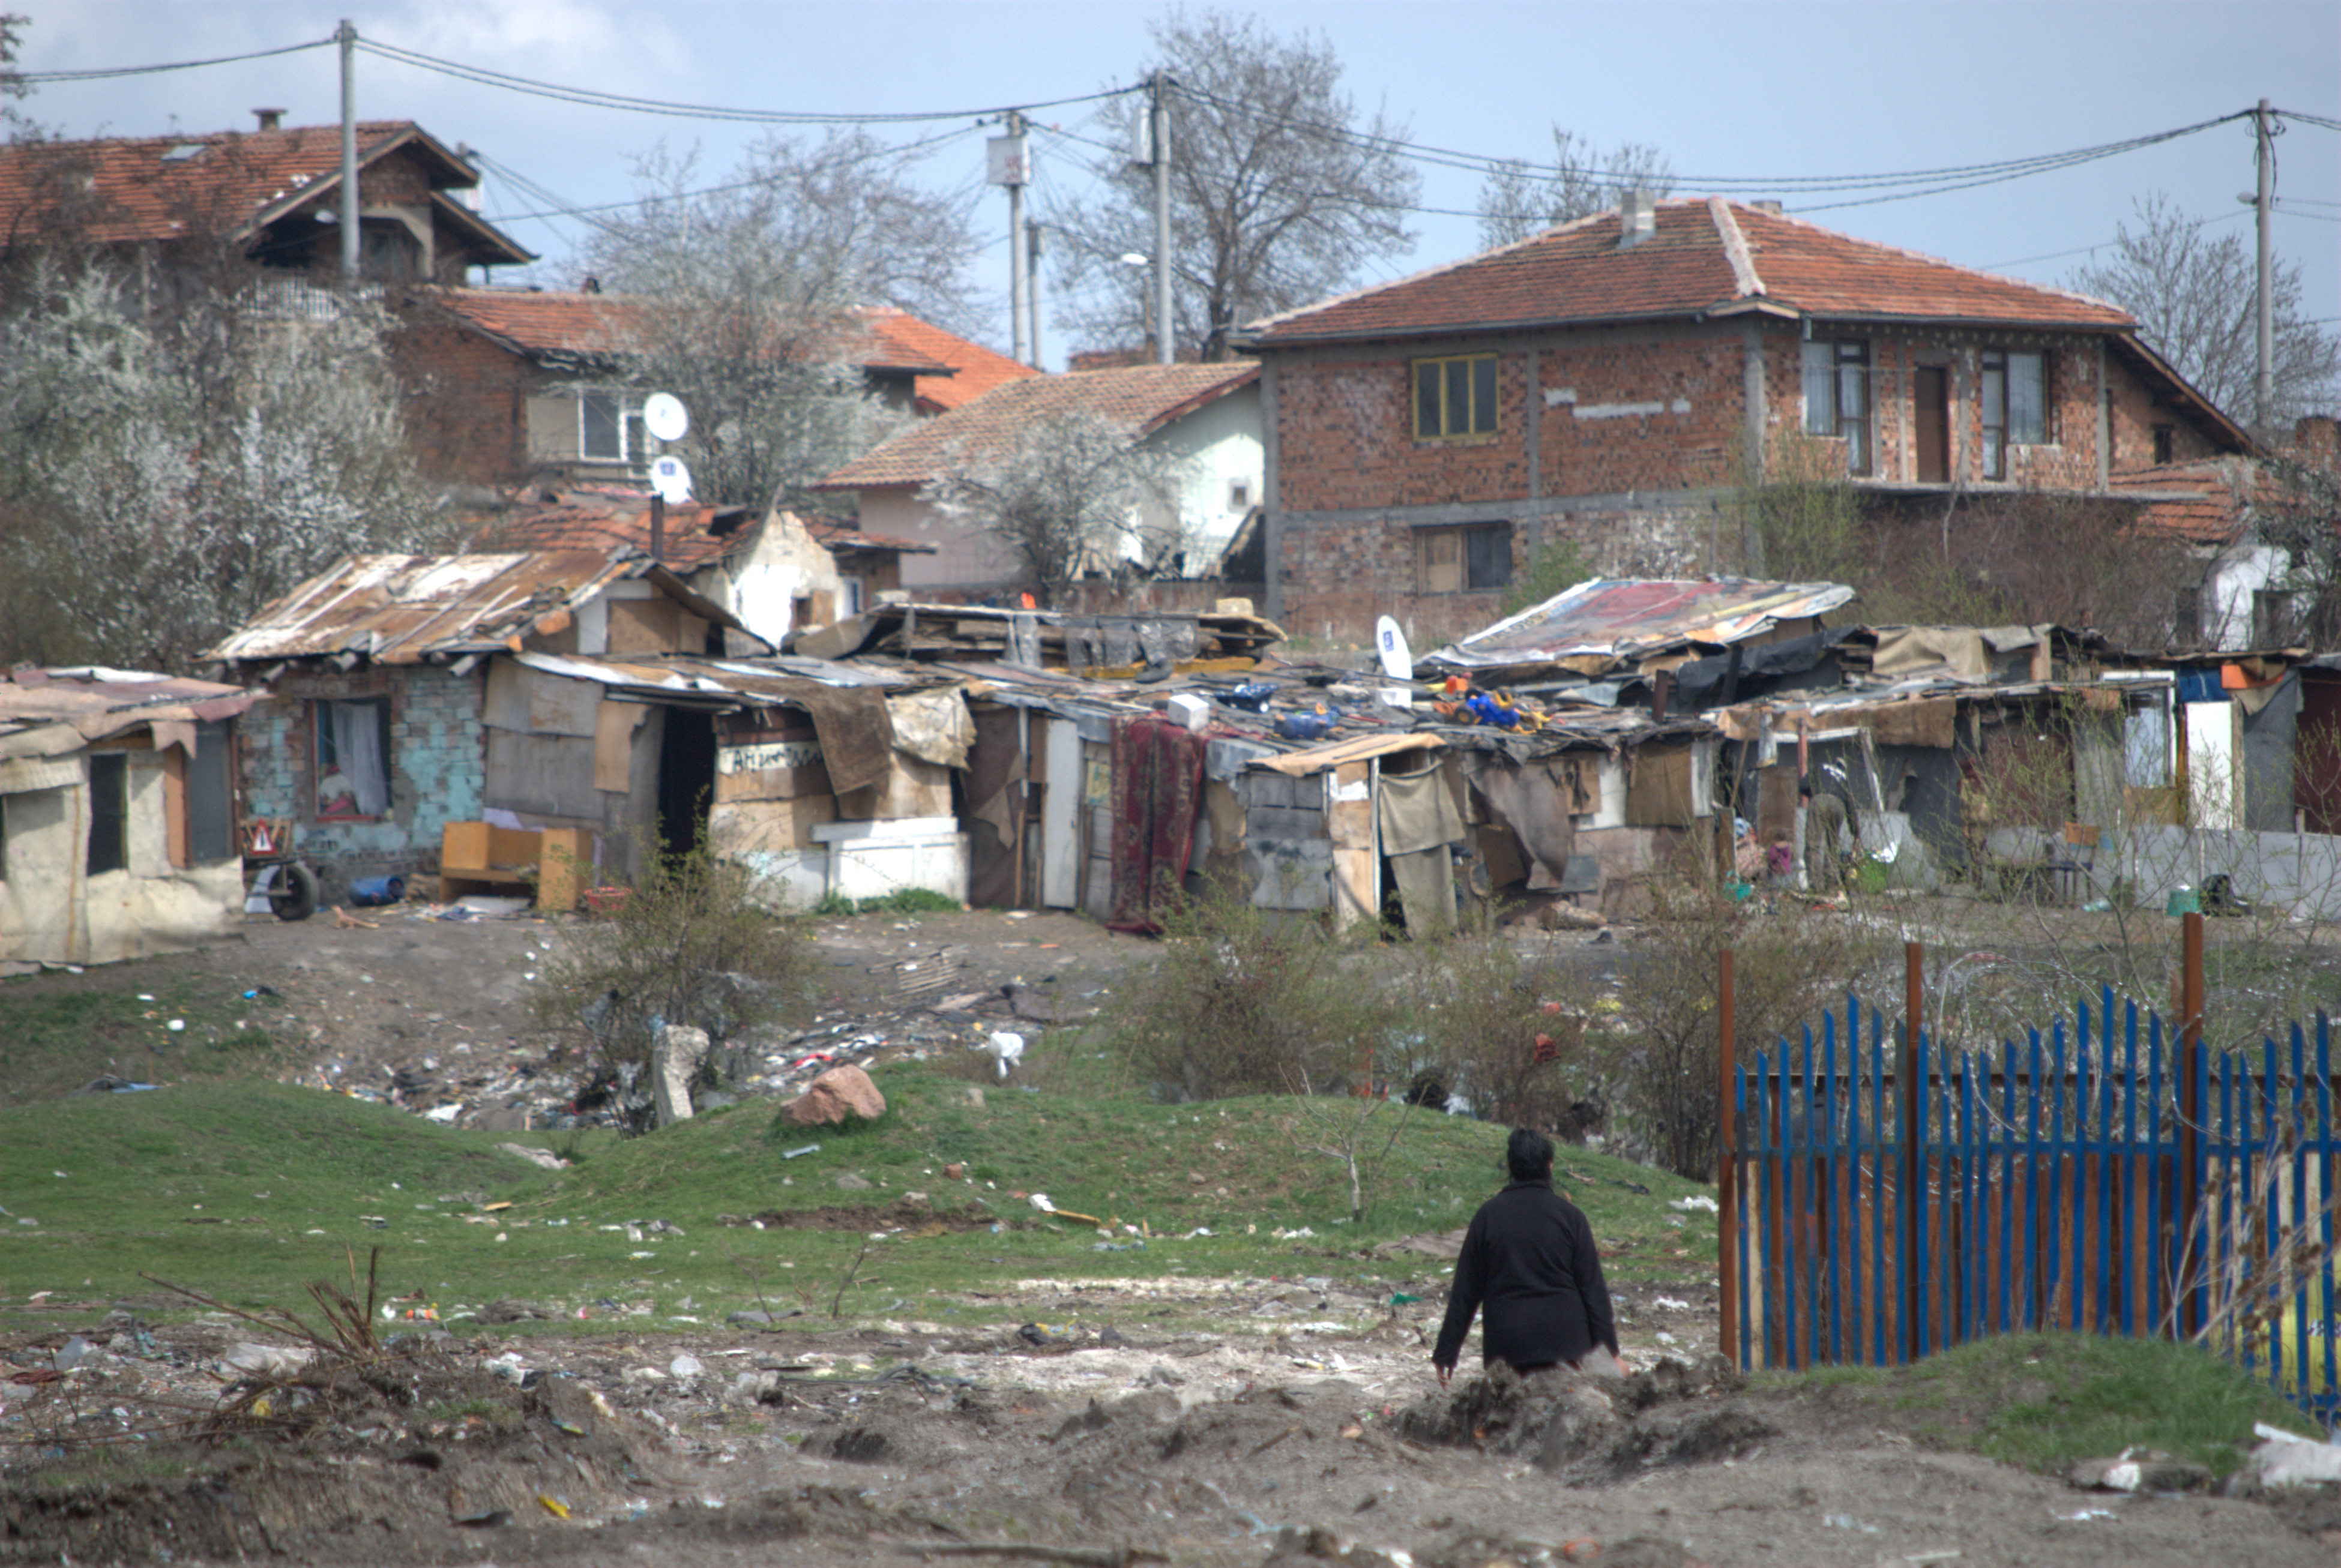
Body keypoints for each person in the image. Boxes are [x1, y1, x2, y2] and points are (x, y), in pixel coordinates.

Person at [1432, 1127, 1622, 1387]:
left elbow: (1465, 1292)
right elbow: (1594, 1293)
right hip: (1567, 1345)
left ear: (1511, 1167)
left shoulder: (1488, 1217)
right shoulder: (1571, 1217)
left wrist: (1446, 1353)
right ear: (1550, 1166)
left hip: (1508, 1351)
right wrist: (1612, 1354)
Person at [1800, 779, 1853, 893]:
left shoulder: (1819, 768)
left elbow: (1803, 785)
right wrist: (1856, 832)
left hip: (1819, 801)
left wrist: (1812, 795)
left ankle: (1816, 887)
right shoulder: (1843, 779)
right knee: (1832, 849)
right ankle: (1831, 886)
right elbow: (1851, 806)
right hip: (1838, 804)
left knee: (1813, 846)